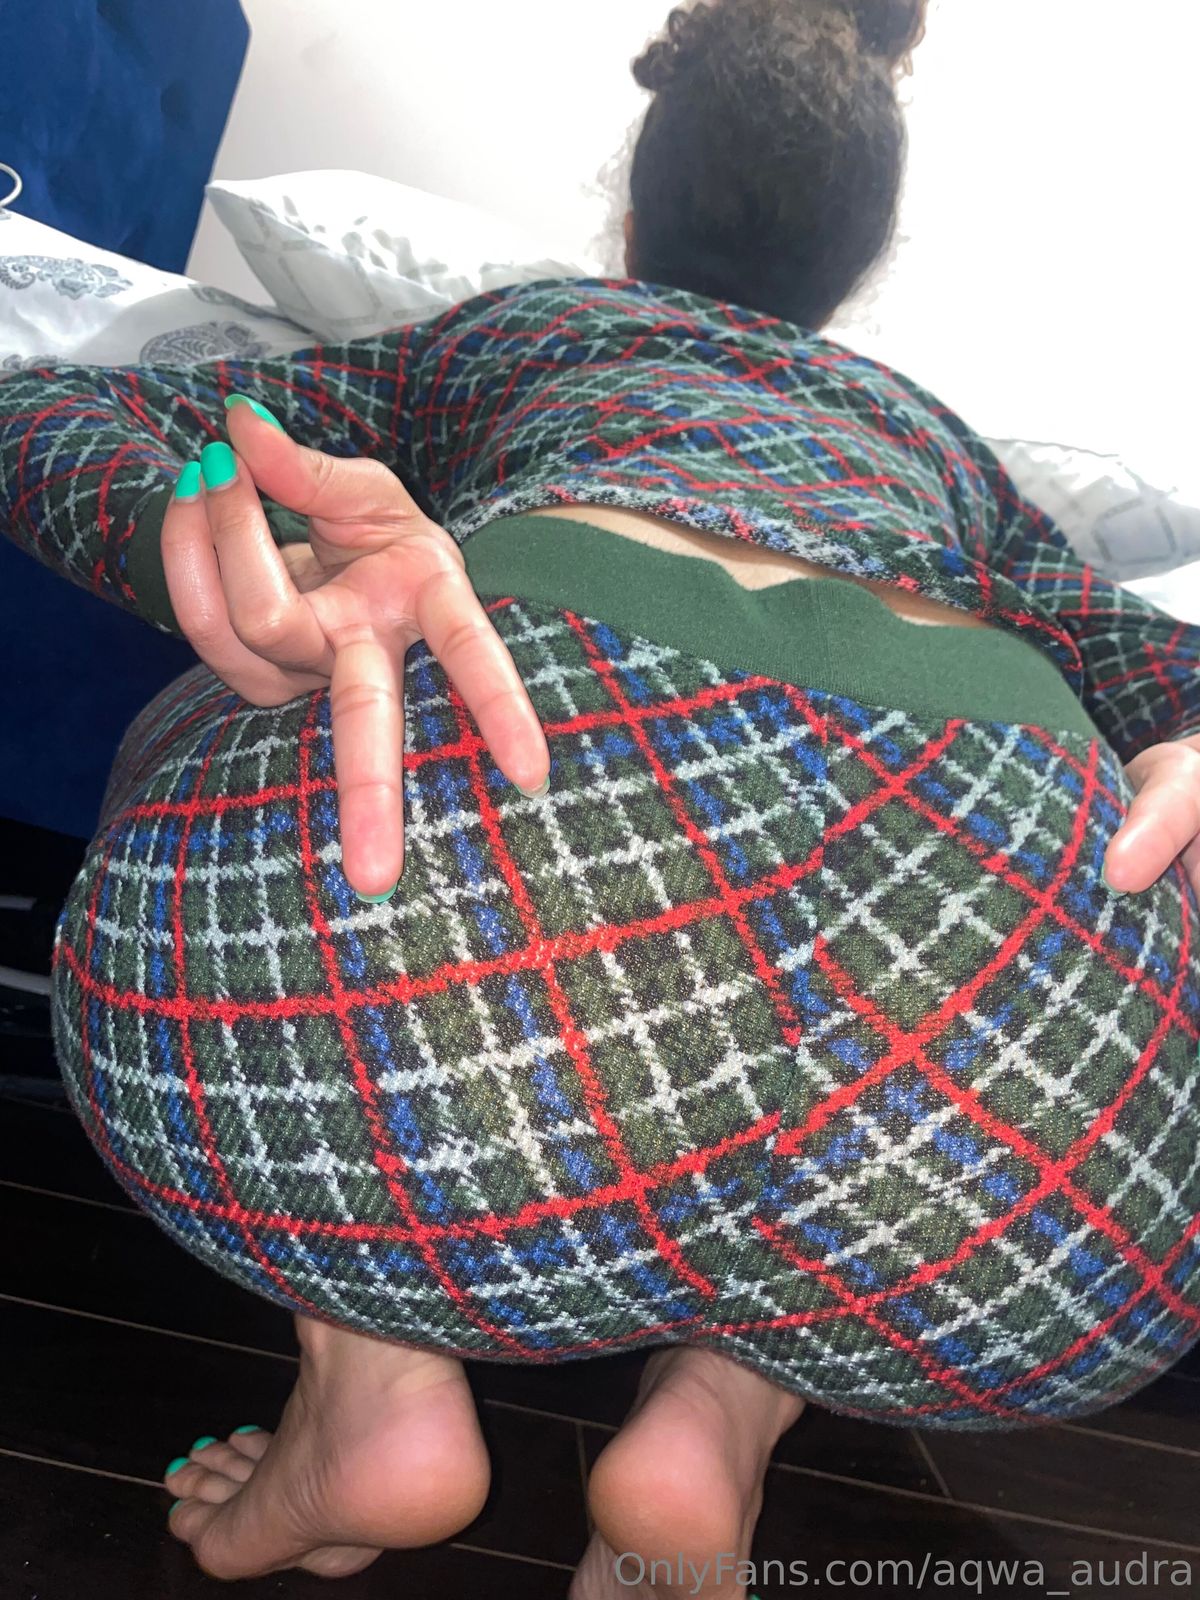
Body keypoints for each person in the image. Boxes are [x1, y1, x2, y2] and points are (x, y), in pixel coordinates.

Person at [2, 1, 1199, 1593]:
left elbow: (65, 405)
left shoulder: (537, 328)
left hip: (487, 933)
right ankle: (717, 1423)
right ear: (856, 274)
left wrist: (222, 542)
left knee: (239, 718)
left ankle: (373, 1387)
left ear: (635, 220)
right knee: (863, 999)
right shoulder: (944, 448)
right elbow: (1153, 657)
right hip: (1065, 1156)